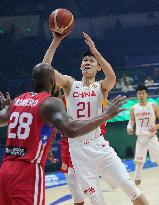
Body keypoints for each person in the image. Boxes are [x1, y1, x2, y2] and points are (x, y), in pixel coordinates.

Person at [42, 31, 149, 205]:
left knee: (130, 188)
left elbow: (112, 77)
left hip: (99, 146)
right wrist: (55, 41)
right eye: (85, 60)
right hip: (77, 150)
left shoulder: (101, 87)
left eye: (91, 61)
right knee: (96, 200)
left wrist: (95, 51)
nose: (87, 62)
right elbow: (45, 70)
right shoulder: (70, 84)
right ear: (80, 66)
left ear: (98, 67)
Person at [0, 63, 126, 205]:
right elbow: (72, 129)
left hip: (5, 169)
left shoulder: (18, 100)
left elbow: (4, 119)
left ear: (33, 80)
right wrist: (106, 115)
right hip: (28, 170)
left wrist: (6, 109)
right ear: (53, 81)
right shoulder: (50, 103)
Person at [127, 85, 159, 185]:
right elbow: (131, 121)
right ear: (137, 95)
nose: (141, 95)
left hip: (152, 137)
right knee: (139, 162)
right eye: (139, 93)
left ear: (147, 94)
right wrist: (129, 127)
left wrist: (156, 127)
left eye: (143, 93)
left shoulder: (153, 105)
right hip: (140, 138)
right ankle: (137, 182)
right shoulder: (133, 108)